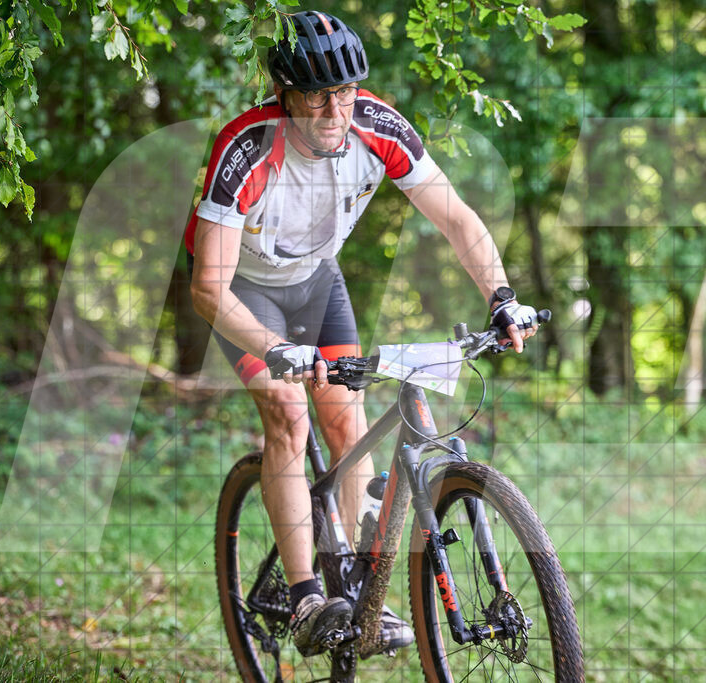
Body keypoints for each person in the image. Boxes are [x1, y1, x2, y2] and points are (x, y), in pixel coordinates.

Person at [185, 10, 540, 657]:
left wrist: (503, 297)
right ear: (284, 92)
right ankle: (305, 599)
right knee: (289, 413)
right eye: (317, 96)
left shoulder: (379, 127)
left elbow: (457, 219)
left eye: (344, 92)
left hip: (317, 278)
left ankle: (350, 586)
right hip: (245, 288)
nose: (334, 112)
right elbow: (208, 288)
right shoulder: (246, 148)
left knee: (348, 419)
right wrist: (275, 348)